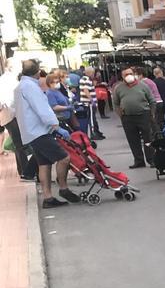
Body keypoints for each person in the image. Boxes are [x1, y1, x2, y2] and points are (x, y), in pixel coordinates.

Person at [13, 59, 79, 208]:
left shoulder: (20, 87)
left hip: (31, 131)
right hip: (40, 131)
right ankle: (63, 188)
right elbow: (42, 109)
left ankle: (48, 198)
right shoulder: (30, 87)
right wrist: (56, 127)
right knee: (64, 158)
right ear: (37, 72)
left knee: (44, 164)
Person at [112, 66, 155, 168]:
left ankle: (151, 159)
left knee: (148, 138)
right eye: (126, 75)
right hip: (127, 117)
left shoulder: (143, 86)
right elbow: (116, 103)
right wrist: (121, 115)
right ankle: (139, 160)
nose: (129, 76)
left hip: (143, 115)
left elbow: (152, 100)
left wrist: (152, 114)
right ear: (122, 77)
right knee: (132, 140)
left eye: (130, 74)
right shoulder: (119, 88)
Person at [78, 67, 104, 139]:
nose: (93, 74)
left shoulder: (84, 79)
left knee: (92, 118)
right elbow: (86, 90)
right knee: (92, 119)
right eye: (93, 73)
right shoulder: (87, 80)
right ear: (90, 73)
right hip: (89, 103)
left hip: (87, 102)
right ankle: (93, 133)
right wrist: (91, 100)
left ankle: (96, 131)